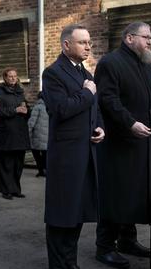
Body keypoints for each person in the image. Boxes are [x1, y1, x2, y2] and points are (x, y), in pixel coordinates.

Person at [94, 21, 151, 268]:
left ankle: (127, 240)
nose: (150, 41)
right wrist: (130, 123)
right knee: (116, 194)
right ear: (129, 38)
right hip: (121, 143)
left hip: (145, 143)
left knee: (137, 194)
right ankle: (104, 246)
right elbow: (108, 100)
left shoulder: (147, 64)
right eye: (146, 37)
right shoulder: (110, 63)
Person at [42, 24, 105, 269]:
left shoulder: (86, 74)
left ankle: (71, 263)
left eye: (89, 42)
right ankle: (59, 265)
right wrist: (88, 94)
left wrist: (100, 127)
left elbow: (94, 108)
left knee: (77, 211)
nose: (88, 46)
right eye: (82, 42)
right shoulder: (53, 73)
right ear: (66, 44)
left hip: (86, 151)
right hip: (66, 155)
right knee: (62, 213)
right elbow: (60, 109)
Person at [0, 67, 30, 200]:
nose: (13, 78)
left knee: (18, 164)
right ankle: (6, 190)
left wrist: (27, 111)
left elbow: (25, 107)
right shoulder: (0, 93)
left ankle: (15, 189)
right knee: (6, 164)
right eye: (10, 76)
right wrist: (15, 110)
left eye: (15, 76)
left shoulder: (20, 91)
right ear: (5, 78)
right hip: (6, 134)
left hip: (20, 133)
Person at [28, 92, 48, 177]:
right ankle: (45, 170)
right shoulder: (50, 107)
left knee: (36, 154)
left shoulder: (37, 107)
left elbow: (32, 122)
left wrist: (27, 132)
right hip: (47, 135)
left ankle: (40, 170)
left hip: (37, 135)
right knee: (45, 154)